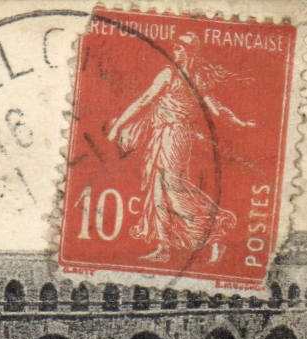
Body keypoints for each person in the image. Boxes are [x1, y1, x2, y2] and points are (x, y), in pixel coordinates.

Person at [105, 32, 255, 264]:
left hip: (172, 135)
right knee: (159, 189)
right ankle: (164, 246)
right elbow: (213, 106)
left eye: (180, 48)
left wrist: (118, 126)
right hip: (169, 135)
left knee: (173, 189)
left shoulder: (173, 75)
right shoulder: (189, 77)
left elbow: (145, 100)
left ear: (188, 52)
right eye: (175, 47)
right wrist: (238, 121)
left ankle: (214, 234)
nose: (175, 50)